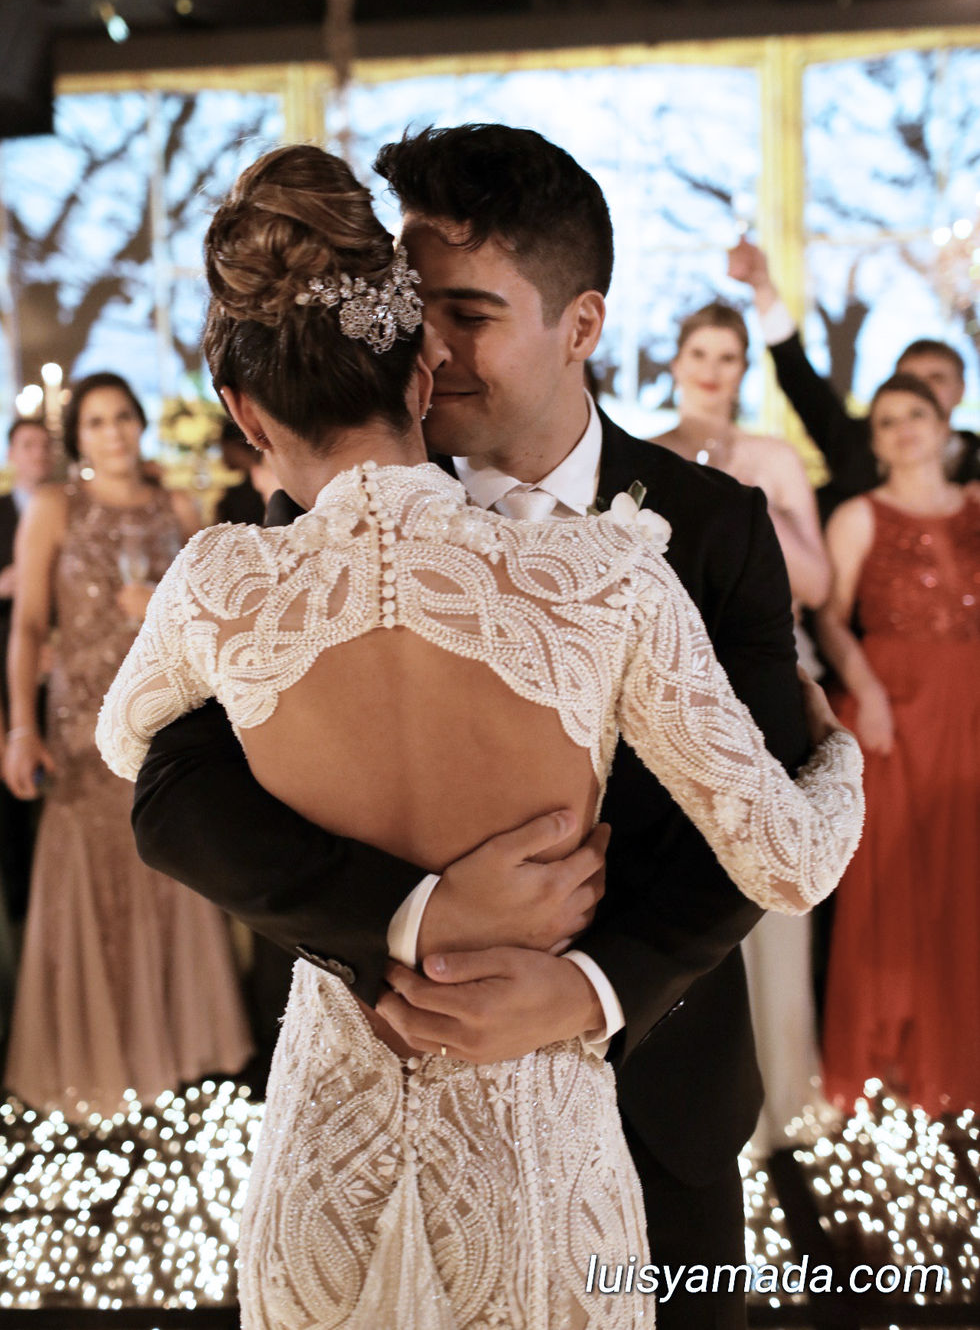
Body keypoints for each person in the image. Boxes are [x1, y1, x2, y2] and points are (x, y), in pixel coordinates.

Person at [97, 142, 863, 1330]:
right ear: (404, 368)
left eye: (467, 312)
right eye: (419, 313)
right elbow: (173, 794)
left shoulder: (708, 528)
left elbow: (126, 740)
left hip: (648, 1095)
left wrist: (590, 988)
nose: (438, 345)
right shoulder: (603, 577)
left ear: (578, 324)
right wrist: (414, 914)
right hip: (430, 1153)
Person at [1, 372, 253, 1120]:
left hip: (164, 730)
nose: (112, 433)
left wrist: (164, 608)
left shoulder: (176, 508)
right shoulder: (53, 509)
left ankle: (169, 1065)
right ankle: (93, 1077)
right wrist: (20, 728)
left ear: (140, 426)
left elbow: (212, 621)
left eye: (122, 418)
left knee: (167, 874)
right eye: (96, 421)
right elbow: (28, 626)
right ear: (78, 437)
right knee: (88, 886)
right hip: (79, 735)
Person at [653, 300, 830, 1149]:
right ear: (677, 361)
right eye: (701, 353)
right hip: (674, 686)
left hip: (763, 685)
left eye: (728, 356)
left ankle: (780, 1084)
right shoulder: (642, 452)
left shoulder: (773, 458)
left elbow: (820, 585)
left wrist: (749, 501)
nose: (713, 371)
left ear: (742, 369)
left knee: (771, 875)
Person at [816, 373, 980, 1117]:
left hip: (968, 703)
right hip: (896, 706)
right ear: (875, 442)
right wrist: (868, 691)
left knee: (963, 875)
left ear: (945, 425)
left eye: (916, 414)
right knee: (897, 878)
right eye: (887, 420)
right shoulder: (859, 515)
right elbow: (829, 618)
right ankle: (894, 1055)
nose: (904, 428)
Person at [727, 238, 980, 519]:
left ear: (962, 389)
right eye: (908, 380)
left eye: (936, 379)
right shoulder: (853, 448)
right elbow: (801, 382)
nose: (921, 390)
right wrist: (762, 286)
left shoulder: (976, 462)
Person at [0, 417, 53, 923]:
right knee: (12, 804)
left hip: (63, 668)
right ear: (12, 454)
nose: (38, 453)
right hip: (5, 670)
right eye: (28, 445)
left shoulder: (66, 510)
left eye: (45, 445)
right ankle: (22, 911)